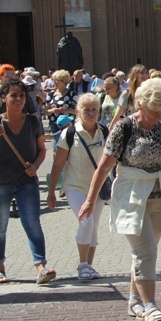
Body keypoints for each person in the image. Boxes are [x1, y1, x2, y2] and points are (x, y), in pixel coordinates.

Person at [78, 78, 161, 321]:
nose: (158, 115)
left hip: (159, 195)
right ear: (140, 104)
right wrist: (90, 200)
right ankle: (150, 305)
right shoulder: (124, 127)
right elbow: (103, 167)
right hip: (131, 196)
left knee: (146, 251)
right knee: (145, 252)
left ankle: (134, 301)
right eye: (154, 110)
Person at [46, 94, 107, 280]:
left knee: (94, 227)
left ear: (99, 111)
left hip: (97, 188)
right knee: (86, 221)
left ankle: (89, 266)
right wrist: (51, 192)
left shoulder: (105, 132)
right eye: (86, 110)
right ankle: (82, 265)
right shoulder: (70, 134)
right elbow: (58, 164)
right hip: (75, 186)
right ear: (78, 112)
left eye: (94, 110)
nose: (90, 113)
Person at [0, 79, 55, 284]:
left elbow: (42, 150)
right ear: (3, 98)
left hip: (26, 181)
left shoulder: (33, 121)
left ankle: (40, 267)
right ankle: (0, 267)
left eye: (21, 96)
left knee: (32, 223)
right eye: (13, 95)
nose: (18, 99)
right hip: (2, 182)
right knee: (0, 226)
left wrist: (36, 166)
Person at [110, 64, 149, 131]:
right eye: (142, 73)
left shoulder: (150, 93)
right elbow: (118, 115)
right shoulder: (127, 94)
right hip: (132, 130)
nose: (145, 76)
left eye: (146, 73)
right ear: (135, 75)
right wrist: (110, 131)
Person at [44, 70, 78, 134]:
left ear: (63, 82)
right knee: (56, 143)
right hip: (54, 125)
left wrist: (67, 110)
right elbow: (45, 111)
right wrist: (53, 110)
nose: (54, 83)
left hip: (68, 125)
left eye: (56, 80)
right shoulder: (51, 94)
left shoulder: (72, 94)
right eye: (53, 80)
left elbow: (78, 111)